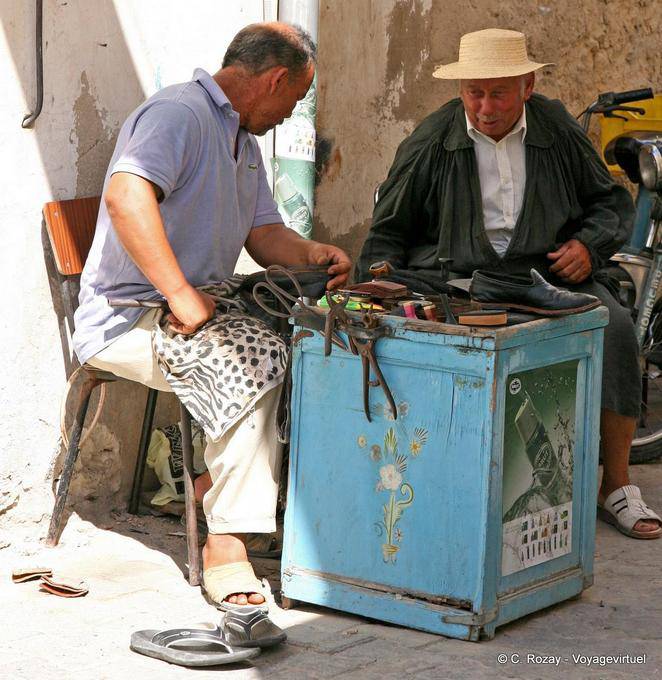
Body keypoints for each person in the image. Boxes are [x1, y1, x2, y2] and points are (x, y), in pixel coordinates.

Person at [73, 22, 351, 610]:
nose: (288, 114)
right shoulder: (179, 114)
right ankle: (227, 543)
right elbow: (127, 197)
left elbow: (265, 234)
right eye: (294, 99)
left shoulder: (243, 144)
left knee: (305, 337)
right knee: (252, 358)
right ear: (275, 79)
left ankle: (226, 490)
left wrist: (312, 253)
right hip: (126, 318)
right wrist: (179, 294)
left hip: (194, 306)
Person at [357, 28, 661, 540]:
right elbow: (388, 231)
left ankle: (617, 485)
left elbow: (610, 203)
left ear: (527, 86)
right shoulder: (433, 139)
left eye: (498, 92)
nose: (484, 106)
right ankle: (443, 479)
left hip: (546, 276)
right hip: (457, 279)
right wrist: (379, 292)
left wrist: (587, 246)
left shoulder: (557, 129)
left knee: (616, 333)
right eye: (474, 93)